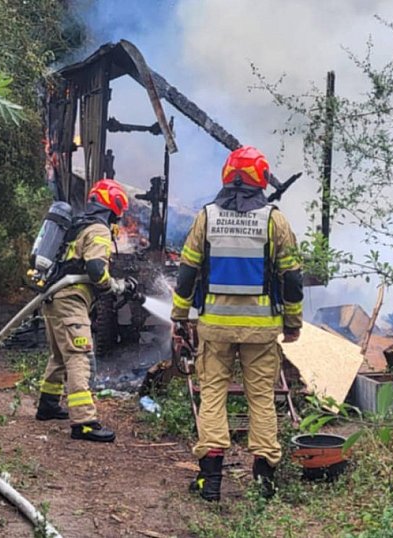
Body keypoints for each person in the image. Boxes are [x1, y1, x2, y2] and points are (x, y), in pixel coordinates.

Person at [171, 146, 304, 501]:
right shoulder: (274, 220)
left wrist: (179, 316)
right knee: (261, 398)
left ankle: (210, 480)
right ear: (261, 178)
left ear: (227, 176)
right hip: (260, 331)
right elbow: (291, 278)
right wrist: (293, 322)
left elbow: (186, 273)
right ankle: (264, 482)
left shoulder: (207, 217)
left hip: (214, 329)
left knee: (212, 394)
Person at [34, 178, 136, 443]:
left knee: (60, 353)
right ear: (112, 208)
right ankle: (84, 422)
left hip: (54, 296)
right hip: (71, 299)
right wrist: (113, 287)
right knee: (79, 354)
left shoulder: (79, 225)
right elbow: (95, 269)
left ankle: (48, 404)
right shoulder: (99, 230)